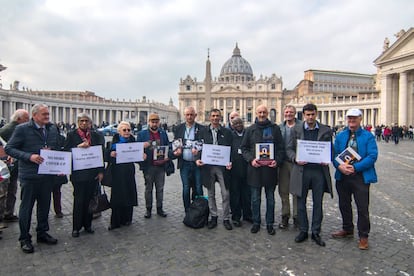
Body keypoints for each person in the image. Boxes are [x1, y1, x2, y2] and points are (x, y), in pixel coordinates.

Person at [5, 104, 60, 253]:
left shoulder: (52, 129)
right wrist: (29, 156)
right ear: (34, 116)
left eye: (48, 114)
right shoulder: (22, 129)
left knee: (44, 206)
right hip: (29, 176)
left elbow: (57, 147)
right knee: (26, 208)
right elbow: (9, 148)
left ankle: (42, 232)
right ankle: (24, 238)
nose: (47, 117)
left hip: (47, 175)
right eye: (44, 114)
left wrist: (59, 164)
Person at [287, 103, 333, 246]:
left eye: (312, 114)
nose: (310, 117)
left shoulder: (326, 130)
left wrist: (328, 158)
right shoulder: (295, 129)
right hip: (302, 171)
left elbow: (331, 149)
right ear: (304, 115)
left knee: (318, 202)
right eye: (308, 114)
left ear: (316, 114)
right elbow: (289, 149)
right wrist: (295, 158)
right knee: (300, 202)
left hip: (319, 171)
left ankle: (316, 231)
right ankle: (303, 230)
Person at [332, 108, 378, 250]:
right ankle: (347, 228)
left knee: (362, 207)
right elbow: (334, 154)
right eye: (349, 118)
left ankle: (363, 236)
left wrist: (356, 167)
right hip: (343, 175)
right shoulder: (340, 136)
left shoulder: (368, 136)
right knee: (344, 204)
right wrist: (339, 167)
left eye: (354, 118)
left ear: (360, 119)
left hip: (360, 176)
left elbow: (372, 156)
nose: (351, 121)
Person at [241, 105, 285, 235]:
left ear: (268, 113)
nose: (262, 114)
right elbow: (244, 148)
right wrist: (251, 159)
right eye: (260, 112)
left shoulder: (275, 129)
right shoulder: (250, 130)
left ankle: (270, 223)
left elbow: (281, 148)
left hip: (270, 170)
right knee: (255, 199)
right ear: (256, 113)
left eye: (264, 112)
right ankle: (256, 222)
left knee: (270, 198)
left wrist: (277, 160)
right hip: (255, 169)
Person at [64, 113, 105, 238]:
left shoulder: (96, 135)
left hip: (92, 173)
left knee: (89, 200)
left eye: (86, 121)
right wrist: (77, 147)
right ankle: (76, 227)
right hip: (78, 174)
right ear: (78, 122)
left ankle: (88, 225)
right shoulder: (71, 135)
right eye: (81, 121)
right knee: (79, 200)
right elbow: (65, 151)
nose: (84, 123)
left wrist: (101, 171)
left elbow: (100, 153)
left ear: (90, 123)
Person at [196, 109, 233, 230]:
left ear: (220, 117)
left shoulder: (227, 132)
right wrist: (197, 158)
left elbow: (231, 149)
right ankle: (214, 216)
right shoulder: (202, 132)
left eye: (217, 116)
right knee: (211, 193)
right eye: (213, 116)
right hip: (208, 166)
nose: (215, 118)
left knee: (225, 193)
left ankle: (226, 218)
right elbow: (198, 147)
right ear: (210, 118)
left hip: (223, 167)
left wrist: (230, 161)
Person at [137, 113, 171, 219]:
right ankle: (148, 209)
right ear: (149, 122)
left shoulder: (163, 133)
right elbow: (136, 148)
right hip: (148, 166)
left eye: (156, 122)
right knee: (148, 188)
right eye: (152, 122)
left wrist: (167, 156)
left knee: (160, 188)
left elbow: (168, 145)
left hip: (161, 165)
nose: (154, 124)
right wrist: (142, 147)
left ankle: (160, 208)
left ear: (159, 122)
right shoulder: (142, 134)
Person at [0, 109, 30, 228]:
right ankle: (3, 216)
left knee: (11, 189)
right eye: (26, 119)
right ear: (19, 119)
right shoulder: (9, 129)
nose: (28, 121)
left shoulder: (12, 128)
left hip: (12, 166)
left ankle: (8, 213)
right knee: (4, 192)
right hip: (6, 165)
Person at [106, 121, 138, 230]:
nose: (127, 132)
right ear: (119, 131)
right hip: (117, 172)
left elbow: (138, 156)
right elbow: (106, 155)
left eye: (129, 130)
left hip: (129, 171)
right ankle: (115, 221)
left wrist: (143, 155)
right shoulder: (113, 142)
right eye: (124, 130)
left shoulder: (133, 141)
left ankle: (127, 219)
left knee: (129, 194)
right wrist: (111, 154)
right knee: (117, 196)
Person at [172, 106, 204, 213]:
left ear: (195, 115)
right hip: (184, 163)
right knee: (186, 188)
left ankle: (199, 210)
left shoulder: (202, 128)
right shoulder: (179, 128)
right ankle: (187, 210)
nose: (189, 117)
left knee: (199, 187)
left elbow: (204, 144)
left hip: (197, 163)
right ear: (184, 115)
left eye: (191, 114)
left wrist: (199, 151)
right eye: (187, 114)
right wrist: (176, 151)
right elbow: (175, 143)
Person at [278, 105, 301, 229]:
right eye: (286, 112)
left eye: (291, 112)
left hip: (297, 162)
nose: (288, 114)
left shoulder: (302, 126)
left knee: (296, 191)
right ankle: (285, 215)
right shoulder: (279, 127)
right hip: (283, 163)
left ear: (295, 113)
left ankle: (297, 217)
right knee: (283, 191)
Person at [229, 117, 252, 227]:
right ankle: (236, 216)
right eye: (235, 123)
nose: (238, 125)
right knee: (235, 195)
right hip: (234, 170)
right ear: (232, 126)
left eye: (239, 123)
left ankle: (247, 215)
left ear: (243, 123)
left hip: (247, 169)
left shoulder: (248, 134)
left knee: (247, 194)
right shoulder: (230, 136)